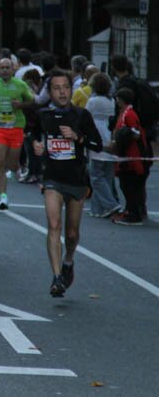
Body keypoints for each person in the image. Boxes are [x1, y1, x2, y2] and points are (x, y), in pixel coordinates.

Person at [31, 70, 102, 296]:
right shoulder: (42, 115)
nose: (62, 92)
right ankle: (56, 277)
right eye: (56, 88)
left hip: (77, 179)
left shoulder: (82, 115)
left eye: (65, 87)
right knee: (54, 225)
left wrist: (77, 137)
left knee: (71, 233)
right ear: (49, 92)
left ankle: (68, 261)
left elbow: (97, 144)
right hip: (52, 178)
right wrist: (37, 147)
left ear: (71, 90)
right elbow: (33, 139)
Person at [0, 58, 35, 211]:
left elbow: (33, 102)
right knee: (0, 161)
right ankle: (3, 196)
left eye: (7, 67)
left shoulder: (21, 85)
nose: (4, 70)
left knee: (12, 164)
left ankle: (16, 168)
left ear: (13, 69)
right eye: (2, 67)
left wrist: (21, 105)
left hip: (16, 127)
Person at [111, 88, 150, 226]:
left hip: (132, 155)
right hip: (127, 155)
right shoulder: (125, 112)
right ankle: (130, 210)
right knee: (126, 184)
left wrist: (122, 138)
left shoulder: (129, 114)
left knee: (129, 185)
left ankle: (134, 214)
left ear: (121, 99)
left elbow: (136, 134)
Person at [85, 73, 121, 218]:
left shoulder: (93, 101)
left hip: (97, 135)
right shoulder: (111, 101)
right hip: (109, 133)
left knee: (96, 175)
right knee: (107, 175)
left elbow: (85, 117)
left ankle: (110, 204)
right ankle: (97, 208)